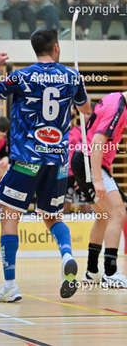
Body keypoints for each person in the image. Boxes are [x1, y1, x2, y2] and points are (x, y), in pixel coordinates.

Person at [0, 27, 91, 302]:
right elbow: (86, 109)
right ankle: (66, 254)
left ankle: (10, 285)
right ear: (56, 48)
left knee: (10, 215)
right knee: (52, 217)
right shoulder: (72, 76)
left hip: (27, 160)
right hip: (58, 162)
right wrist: (79, 86)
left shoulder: (21, 76)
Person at [72, 91, 127, 288]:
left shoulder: (113, 97)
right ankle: (110, 273)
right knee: (117, 213)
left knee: (103, 216)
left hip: (85, 160)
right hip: (90, 161)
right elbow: (97, 142)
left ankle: (92, 271)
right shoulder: (117, 107)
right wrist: (97, 179)